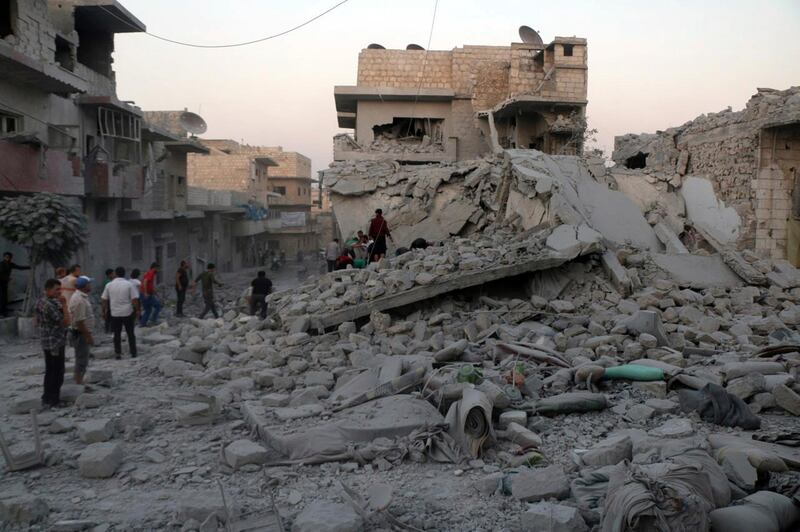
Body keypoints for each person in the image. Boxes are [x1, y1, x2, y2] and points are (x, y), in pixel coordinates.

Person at [35, 278, 69, 408]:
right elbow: (65, 322)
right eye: (56, 289)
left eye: (60, 289)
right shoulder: (49, 305)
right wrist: (64, 305)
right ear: (48, 290)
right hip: (55, 341)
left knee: (50, 370)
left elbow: (36, 320)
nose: (59, 292)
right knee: (57, 371)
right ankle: (54, 400)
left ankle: (46, 398)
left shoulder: (40, 301)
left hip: (46, 340)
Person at [101, 266, 139, 360]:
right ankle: (133, 352)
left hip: (115, 313)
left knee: (116, 334)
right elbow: (134, 299)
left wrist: (104, 310)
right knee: (130, 333)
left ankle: (118, 353)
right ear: (124, 273)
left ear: (115, 274)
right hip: (127, 312)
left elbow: (104, 299)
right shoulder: (129, 284)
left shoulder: (109, 285)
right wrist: (137, 310)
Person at [68, 276, 94, 385]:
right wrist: (88, 336)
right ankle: (79, 382)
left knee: (81, 358)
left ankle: (78, 379)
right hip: (80, 333)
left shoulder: (81, 297)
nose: (90, 285)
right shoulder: (79, 299)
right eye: (89, 283)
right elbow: (79, 322)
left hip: (81, 332)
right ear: (85, 286)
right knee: (82, 359)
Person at [0, 251, 30, 317]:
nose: (8, 258)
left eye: (9, 257)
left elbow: (20, 267)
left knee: (5, 297)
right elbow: (1, 274)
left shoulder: (10, 264)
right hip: (1, 282)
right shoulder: (2, 264)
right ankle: (1, 312)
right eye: (6, 257)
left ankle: (4, 309)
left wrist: (29, 267)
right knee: (2, 297)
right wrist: (9, 279)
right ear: (4, 257)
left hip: (5, 283)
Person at [139, 262, 162, 327]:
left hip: (144, 294)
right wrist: (146, 293)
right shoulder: (151, 273)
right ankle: (153, 320)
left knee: (148, 310)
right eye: (158, 268)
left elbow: (150, 285)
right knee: (158, 306)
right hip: (146, 294)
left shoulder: (149, 273)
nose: (158, 270)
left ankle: (143, 323)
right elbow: (145, 281)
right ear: (155, 268)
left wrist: (155, 293)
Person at [100, 269, 114, 333]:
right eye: (113, 273)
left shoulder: (107, 281)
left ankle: (108, 329)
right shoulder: (108, 282)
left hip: (108, 299)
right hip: (108, 299)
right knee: (109, 314)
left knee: (109, 314)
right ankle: (109, 329)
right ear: (110, 274)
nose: (114, 275)